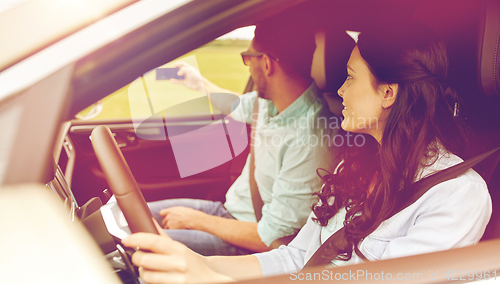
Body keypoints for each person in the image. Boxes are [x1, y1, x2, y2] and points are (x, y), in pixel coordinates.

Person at [124, 22, 492, 283]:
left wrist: (213, 278)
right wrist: (199, 263)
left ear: (388, 93)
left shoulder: (458, 195)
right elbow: (295, 258)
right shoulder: (357, 168)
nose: (340, 91)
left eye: (350, 77)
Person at [147, 15, 340, 256]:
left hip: (251, 240)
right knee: (132, 216)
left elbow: (272, 237)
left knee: (141, 244)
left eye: (248, 58)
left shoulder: (312, 139)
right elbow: (236, 106)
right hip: (229, 212)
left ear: (267, 64)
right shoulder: (268, 104)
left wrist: (194, 220)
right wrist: (198, 83)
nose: (248, 65)